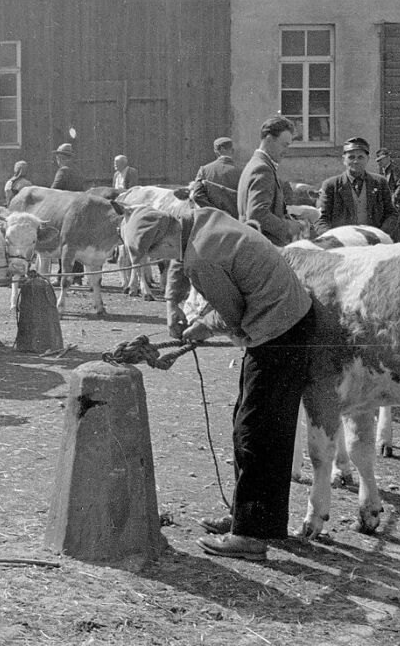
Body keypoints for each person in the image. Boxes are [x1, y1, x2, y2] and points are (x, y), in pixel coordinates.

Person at [121, 204, 314, 560]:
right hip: (288, 318)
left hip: (275, 329)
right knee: (260, 425)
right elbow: (185, 262)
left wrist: (203, 325)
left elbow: (234, 312)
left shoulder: (201, 258)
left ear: (162, 240)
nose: (159, 262)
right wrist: (174, 304)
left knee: (253, 432)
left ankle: (250, 536)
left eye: (155, 254)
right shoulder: (198, 220)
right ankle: (253, 518)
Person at [315, 137, 398, 237]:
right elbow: (320, 218)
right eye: (351, 157)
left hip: (374, 244)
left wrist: (380, 235)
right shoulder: (331, 185)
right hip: (343, 244)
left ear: (367, 159)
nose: (355, 161)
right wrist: (333, 239)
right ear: (343, 160)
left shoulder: (379, 182)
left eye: (360, 157)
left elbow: (392, 214)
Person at [237, 113, 297, 246]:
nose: (286, 151)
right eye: (284, 145)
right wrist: (288, 227)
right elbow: (257, 214)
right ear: (269, 139)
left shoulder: (255, 163)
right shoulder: (263, 169)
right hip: (264, 248)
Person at [375, 147, 400, 241]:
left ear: (387, 158)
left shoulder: (394, 169)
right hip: (388, 204)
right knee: (393, 227)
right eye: (378, 161)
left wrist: (394, 198)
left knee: (395, 227)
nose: (379, 163)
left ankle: (399, 246)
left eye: (381, 160)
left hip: (395, 204)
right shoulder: (384, 170)